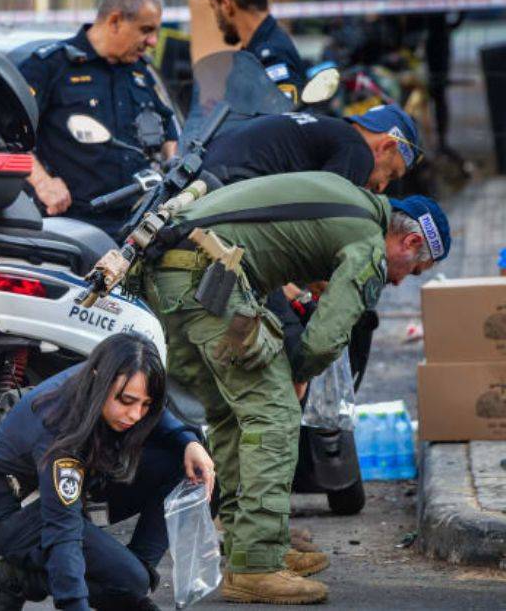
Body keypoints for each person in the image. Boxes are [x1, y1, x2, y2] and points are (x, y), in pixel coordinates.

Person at [141, 172, 451, 604]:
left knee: (232, 416)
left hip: (171, 274)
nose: (400, 281)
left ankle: (251, 544)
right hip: (206, 280)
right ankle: (256, 566)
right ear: (411, 242)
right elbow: (325, 338)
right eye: (412, 270)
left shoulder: (350, 199)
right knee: (275, 412)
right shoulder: (368, 240)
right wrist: (298, 370)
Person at [0, 333, 216, 611]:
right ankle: (13, 579)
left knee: (188, 466)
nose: (136, 415)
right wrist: (76, 604)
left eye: (144, 404)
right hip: (10, 516)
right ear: (100, 380)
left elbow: (156, 414)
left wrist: (189, 442)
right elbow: (62, 531)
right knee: (127, 580)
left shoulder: (103, 378)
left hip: (77, 489)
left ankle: (131, 583)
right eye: (127, 401)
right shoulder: (60, 428)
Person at [18, 0, 178, 235]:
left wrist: (174, 175)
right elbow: (6, 136)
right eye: (146, 30)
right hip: (74, 227)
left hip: (141, 225)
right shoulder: (50, 67)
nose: (152, 41)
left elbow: (169, 131)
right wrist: (43, 183)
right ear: (115, 21)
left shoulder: (141, 72)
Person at [369, 0, 470, 164]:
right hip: (428, 37)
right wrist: (457, 20)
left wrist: (392, 19)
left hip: (420, 38)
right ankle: (434, 143)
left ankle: (422, 143)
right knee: (430, 91)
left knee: (421, 90)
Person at [203, 104, 423, 192]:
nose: (382, 187)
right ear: (386, 147)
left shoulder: (325, 128)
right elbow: (325, 218)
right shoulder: (358, 151)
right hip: (232, 184)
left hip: (205, 173)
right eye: (391, 174)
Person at [201, 0, 307, 103]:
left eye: (214, 7)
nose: (216, 18)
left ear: (226, 5)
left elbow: (280, 116)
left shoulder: (271, 58)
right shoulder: (256, 50)